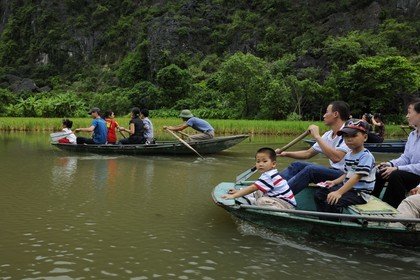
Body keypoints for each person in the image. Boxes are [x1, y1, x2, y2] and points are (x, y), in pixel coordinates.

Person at [277, 101, 351, 195]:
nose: (324, 116)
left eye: (326, 112)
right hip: (333, 171)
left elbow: (336, 158)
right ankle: (271, 187)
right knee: (297, 165)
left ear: (336, 114)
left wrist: (317, 136)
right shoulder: (328, 135)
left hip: (344, 176)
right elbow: (308, 153)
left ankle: (281, 196)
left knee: (310, 170)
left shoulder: (348, 134)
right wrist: (284, 154)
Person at [314, 119, 375, 216]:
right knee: (319, 194)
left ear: (365, 137)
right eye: (346, 136)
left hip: (359, 194)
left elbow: (356, 177)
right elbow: (347, 174)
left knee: (332, 201)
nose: (349, 139)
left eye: (354, 136)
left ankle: (332, 226)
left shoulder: (366, 156)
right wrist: (334, 182)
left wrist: (338, 192)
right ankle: (323, 219)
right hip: (347, 189)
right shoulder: (349, 154)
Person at [372, 99, 420, 208]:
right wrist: (390, 164)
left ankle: (391, 208)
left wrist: (397, 169)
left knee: (396, 175)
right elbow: (405, 158)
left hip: (417, 177)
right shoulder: (412, 135)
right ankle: (370, 202)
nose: (407, 116)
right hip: (411, 173)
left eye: (409, 112)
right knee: (381, 170)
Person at [221, 147, 296, 209]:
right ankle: (249, 198)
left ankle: (282, 216)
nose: (260, 164)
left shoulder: (269, 175)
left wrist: (233, 196)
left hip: (286, 206)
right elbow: (255, 188)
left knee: (261, 201)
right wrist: (238, 192)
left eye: (264, 161)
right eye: (258, 161)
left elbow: (252, 188)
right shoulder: (268, 173)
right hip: (276, 199)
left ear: (273, 164)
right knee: (259, 190)